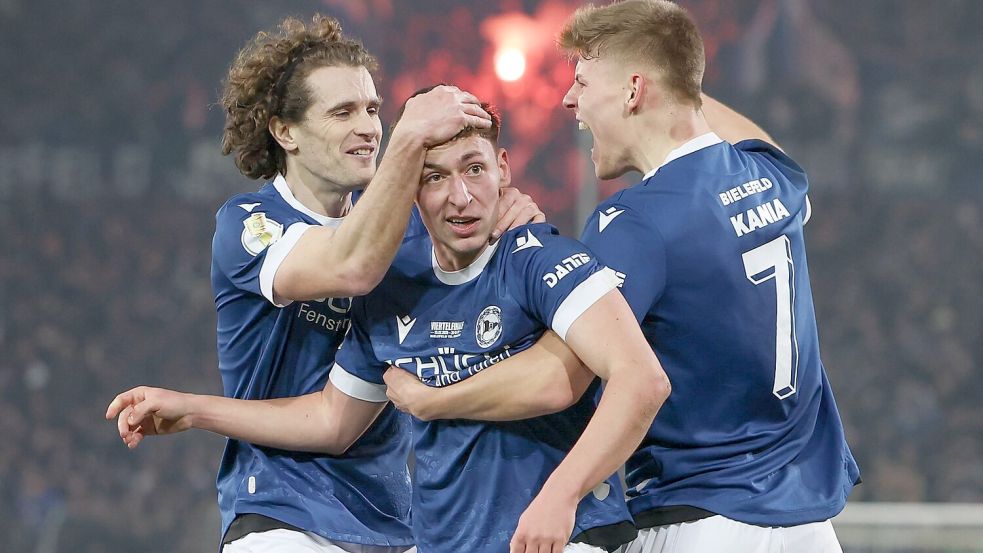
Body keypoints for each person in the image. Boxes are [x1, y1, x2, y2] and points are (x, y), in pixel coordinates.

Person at [381, 2, 860, 552]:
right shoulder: (772, 177)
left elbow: (559, 376)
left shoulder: (636, 223)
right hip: (810, 529)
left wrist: (432, 400)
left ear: (634, 91)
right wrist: (677, 75)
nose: (569, 100)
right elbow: (740, 132)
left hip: (700, 518)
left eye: (582, 80)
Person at [107, 94, 671, 553]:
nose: (461, 195)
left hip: (563, 538)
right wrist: (194, 409)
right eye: (434, 178)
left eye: (475, 169)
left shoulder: (535, 256)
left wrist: (559, 497)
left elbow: (637, 380)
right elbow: (332, 421)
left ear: (502, 170)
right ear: (411, 192)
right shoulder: (390, 288)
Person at [115, 14, 542, 553]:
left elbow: (339, 419)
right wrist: (410, 136)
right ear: (284, 130)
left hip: (392, 517)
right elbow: (352, 266)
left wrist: (512, 220)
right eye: (342, 112)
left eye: (372, 110)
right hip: (280, 510)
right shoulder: (250, 224)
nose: (368, 127)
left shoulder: (409, 225)